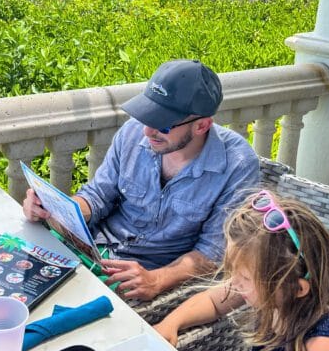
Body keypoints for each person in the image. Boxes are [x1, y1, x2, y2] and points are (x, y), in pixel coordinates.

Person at [23, 59, 259, 301]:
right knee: (14, 284)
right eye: (147, 116)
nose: (147, 131)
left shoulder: (237, 165)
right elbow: (97, 195)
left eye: (163, 125)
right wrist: (57, 209)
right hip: (90, 249)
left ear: (202, 125)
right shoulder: (133, 131)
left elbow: (214, 252)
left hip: (149, 273)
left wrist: (158, 279)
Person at [155, 191, 329, 351]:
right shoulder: (273, 292)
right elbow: (213, 301)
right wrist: (171, 323)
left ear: (297, 289)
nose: (235, 283)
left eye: (245, 278)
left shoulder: (318, 350)